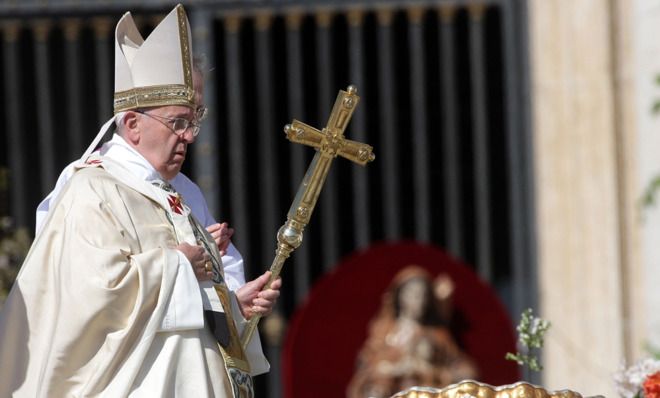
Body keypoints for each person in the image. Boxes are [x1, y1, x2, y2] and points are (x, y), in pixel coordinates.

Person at [0, 5, 279, 397]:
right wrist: (179, 263)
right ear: (132, 124)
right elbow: (87, 296)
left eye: (193, 121)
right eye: (178, 123)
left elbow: (181, 307)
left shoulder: (181, 191)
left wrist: (230, 301)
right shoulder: (93, 187)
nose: (189, 137)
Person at [347, 265, 478, 398]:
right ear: (400, 296)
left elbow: (459, 364)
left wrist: (446, 371)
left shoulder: (436, 333)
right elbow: (367, 360)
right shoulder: (385, 330)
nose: (418, 300)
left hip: (428, 386)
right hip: (392, 386)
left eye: (423, 295)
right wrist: (389, 366)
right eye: (412, 294)